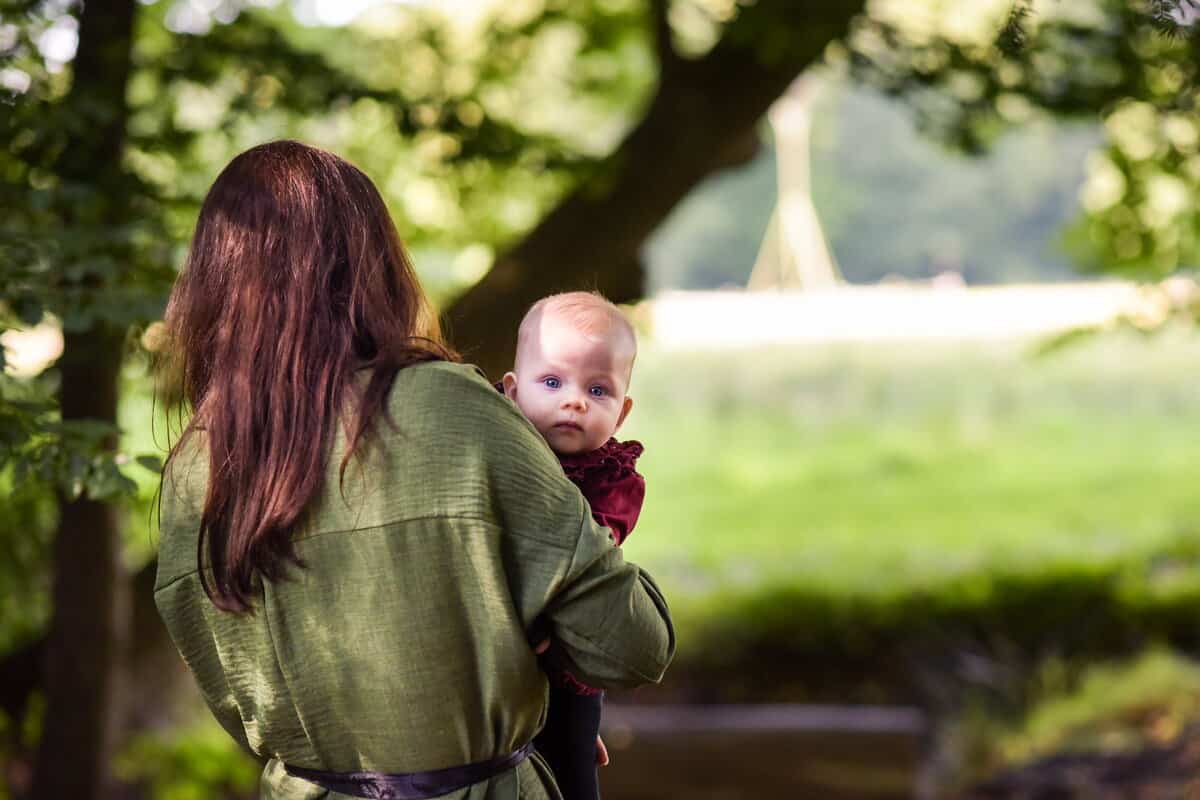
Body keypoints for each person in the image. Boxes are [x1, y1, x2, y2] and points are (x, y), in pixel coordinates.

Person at [153, 140, 675, 800]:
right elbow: (631, 646)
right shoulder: (458, 408)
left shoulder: (197, 467)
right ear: (374, 263)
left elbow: (232, 691)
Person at [499, 292, 647, 800]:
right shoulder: (496, 455)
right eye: (553, 382)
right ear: (513, 391)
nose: (575, 400)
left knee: (572, 772)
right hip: (496, 661)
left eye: (598, 389)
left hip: (563, 664)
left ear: (622, 413)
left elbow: (583, 558)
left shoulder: (610, 480)